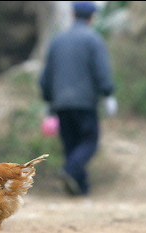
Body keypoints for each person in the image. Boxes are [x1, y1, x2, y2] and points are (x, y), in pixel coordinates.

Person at [39, 1, 115, 196]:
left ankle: (79, 189)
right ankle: (70, 171)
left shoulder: (57, 40)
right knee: (90, 141)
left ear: (72, 15)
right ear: (91, 17)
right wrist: (108, 93)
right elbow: (101, 70)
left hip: (61, 104)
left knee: (71, 144)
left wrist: (48, 100)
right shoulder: (93, 39)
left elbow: (46, 75)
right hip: (85, 103)